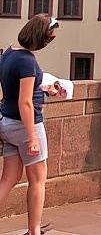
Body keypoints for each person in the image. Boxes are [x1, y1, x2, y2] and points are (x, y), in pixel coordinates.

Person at [0, 14, 62, 234]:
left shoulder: (8, 52)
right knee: (37, 180)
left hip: (6, 122)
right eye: (49, 39)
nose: (49, 42)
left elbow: (16, 89)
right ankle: (34, 230)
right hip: (25, 125)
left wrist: (46, 89)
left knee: (9, 178)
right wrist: (33, 138)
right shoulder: (27, 61)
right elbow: (24, 102)